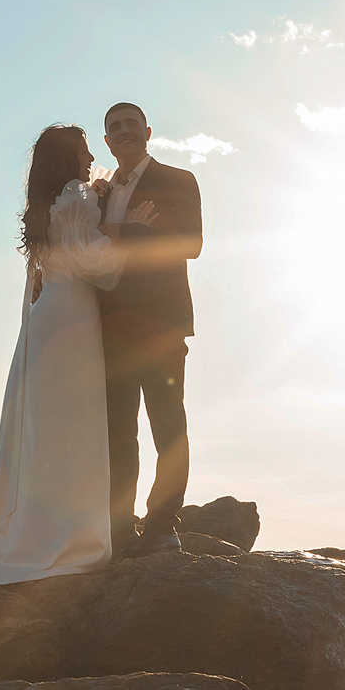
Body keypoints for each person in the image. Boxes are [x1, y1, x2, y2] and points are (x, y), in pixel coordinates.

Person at [0, 125, 158, 584]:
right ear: (69, 159)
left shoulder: (50, 202)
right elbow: (96, 264)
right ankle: (68, 536)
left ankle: (44, 526)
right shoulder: (76, 196)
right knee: (73, 422)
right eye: (83, 152)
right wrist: (130, 232)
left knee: (49, 424)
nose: (89, 158)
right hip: (71, 323)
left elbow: (63, 251)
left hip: (49, 320)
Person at [95, 102, 203, 557]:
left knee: (167, 428)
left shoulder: (178, 181)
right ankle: (120, 531)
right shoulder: (100, 195)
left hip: (160, 325)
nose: (124, 132)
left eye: (131, 124)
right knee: (117, 432)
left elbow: (191, 244)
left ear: (147, 131)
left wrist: (126, 232)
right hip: (110, 329)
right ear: (106, 141)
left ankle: (162, 527)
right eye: (114, 127)